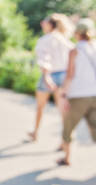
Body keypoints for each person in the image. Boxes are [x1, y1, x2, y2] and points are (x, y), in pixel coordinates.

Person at [58, 18, 96, 179]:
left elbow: (70, 74)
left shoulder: (75, 50)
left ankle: (67, 158)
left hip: (79, 95)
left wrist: (64, 94)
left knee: (68, 128)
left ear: (77, 34)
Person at [29, 13, 74, 142]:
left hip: (49, 74)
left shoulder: (44, 40)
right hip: (64, 75)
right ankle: (65, 140)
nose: (42, 24)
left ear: (50, 24)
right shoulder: (66, 41)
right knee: (63, 110)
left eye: (44, 21)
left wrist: (46, 77)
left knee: (40, 107)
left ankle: (35, 133)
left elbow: (44, 60)